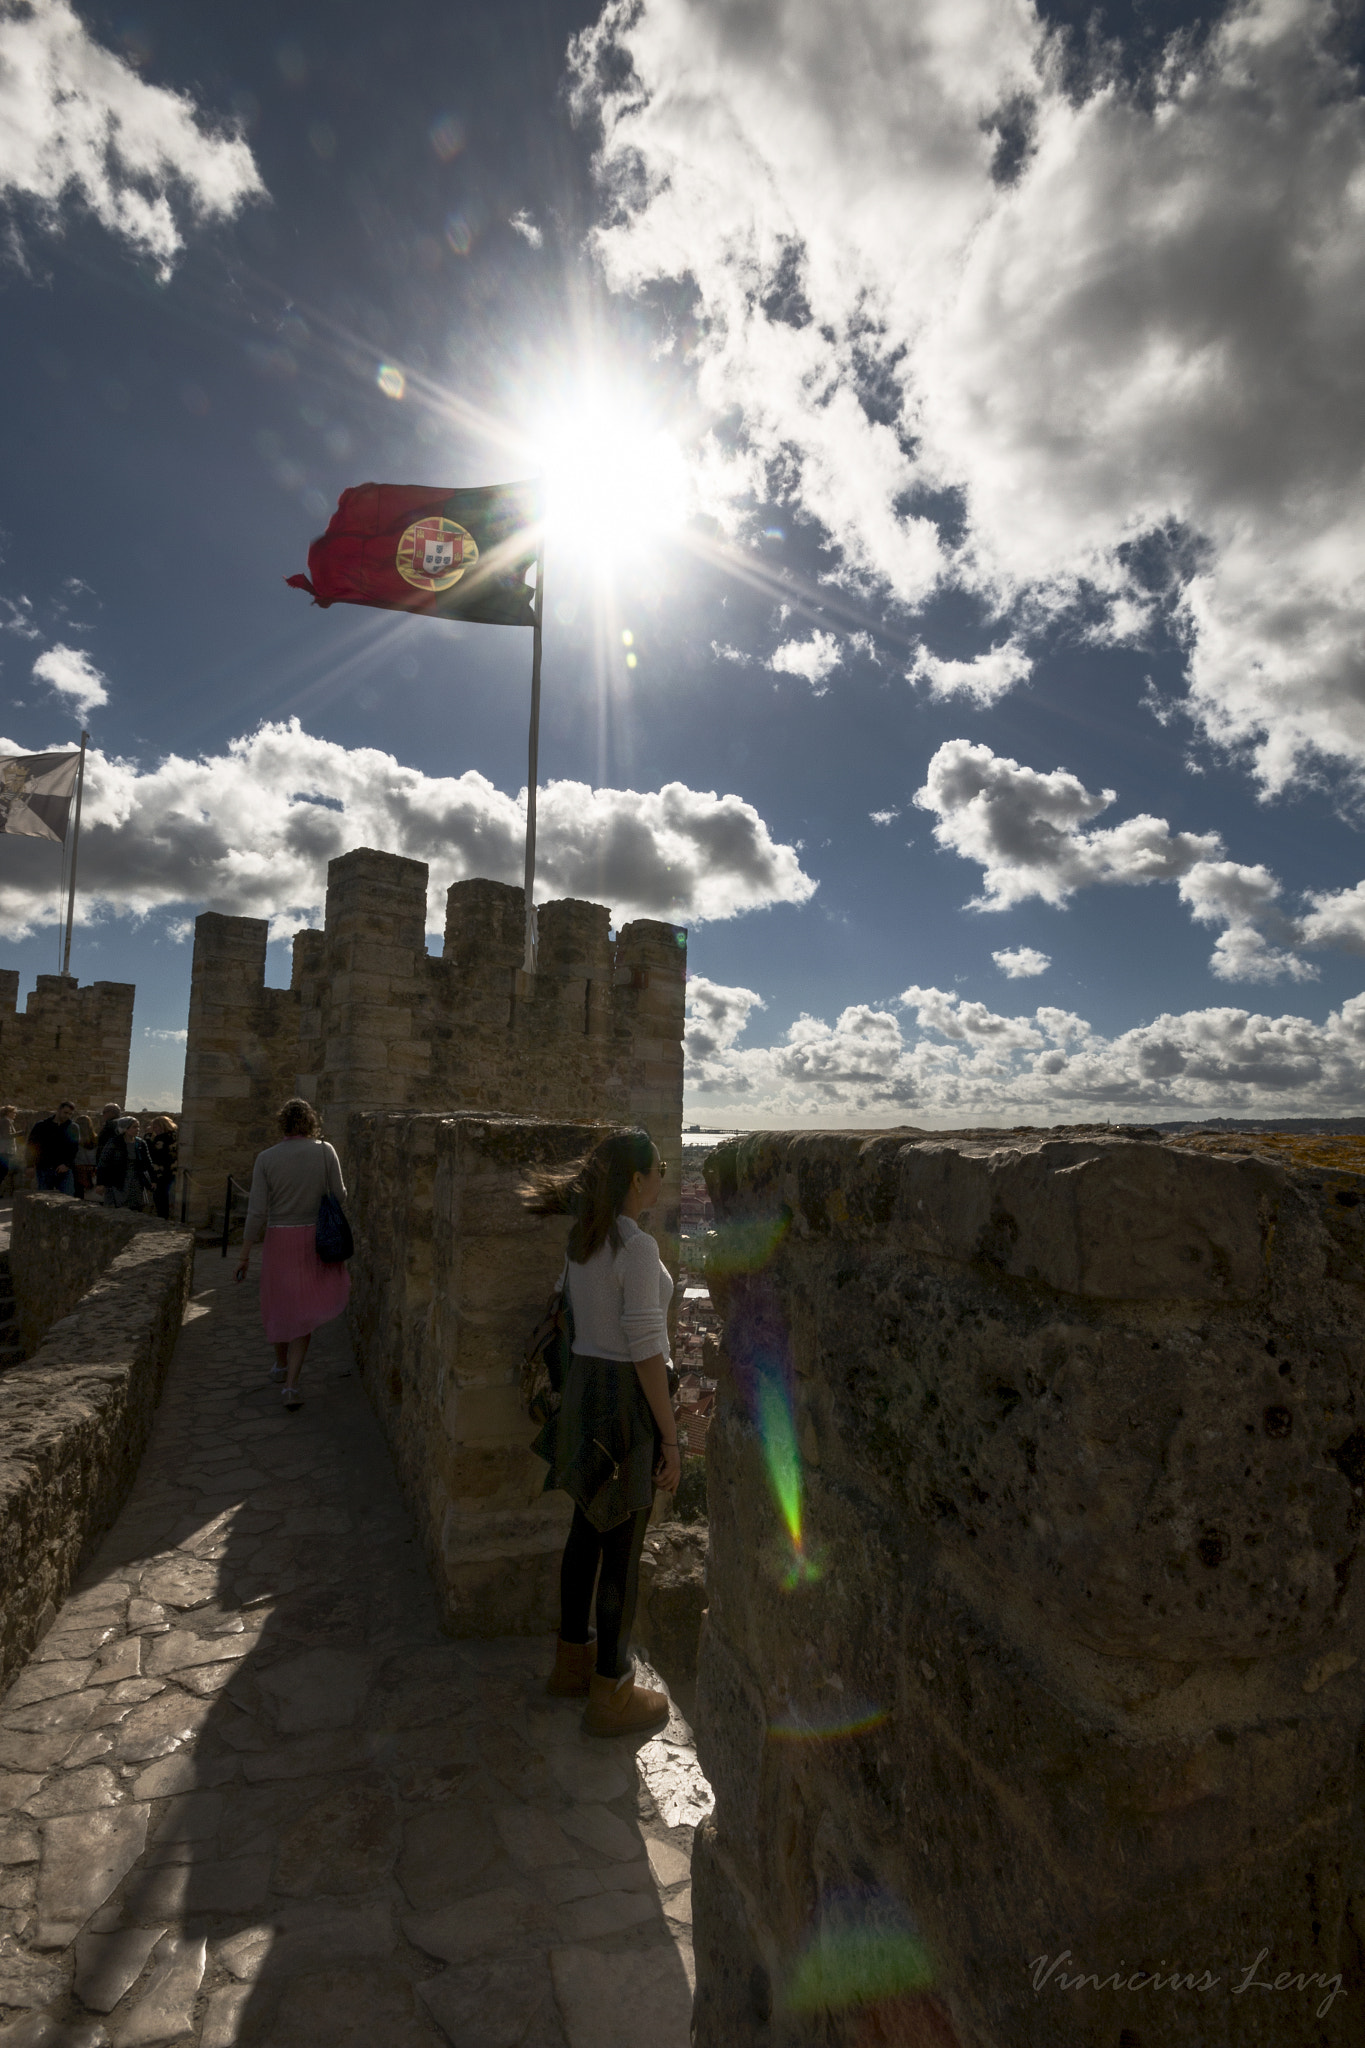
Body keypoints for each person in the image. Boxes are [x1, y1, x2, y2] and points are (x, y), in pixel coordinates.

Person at [521, 1128, 680, 1738]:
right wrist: (669, 1440)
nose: (664, 1177)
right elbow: (645, 1348)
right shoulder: (634, 1248)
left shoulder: (582, 1238)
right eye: (660, 1167)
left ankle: (571, 1663)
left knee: (585, 1531)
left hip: (585, 1392)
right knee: (622, 1551)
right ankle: (611, 1690)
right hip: (623, 1399)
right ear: (637, 1180)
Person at [235, 1098, 349, 1411]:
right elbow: (340, 1195)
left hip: (279, 1239)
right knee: (303, 1311)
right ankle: (291, 1385)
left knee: (278, 1304)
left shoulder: (266, 1158)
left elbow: (257, 1211)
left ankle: (280, 1365)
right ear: (311, 1122)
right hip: (313, 1237)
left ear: (282, 1123)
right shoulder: (325, 1152)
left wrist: (244, 1254)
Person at [27, 1099, 79, 1195]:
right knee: (44, 1198)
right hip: (44, 1168)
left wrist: (67, 1164)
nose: (67, 1116)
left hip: (63, 1169)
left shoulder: (72, 1127)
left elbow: (74, 1148)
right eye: (65, 1112)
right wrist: (30, 1165)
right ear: (58, 1110)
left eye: (70, 1114)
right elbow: (32, 1146)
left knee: (67, 1197)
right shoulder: (42, 1126)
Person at [145, 1115, 178, 1219]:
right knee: (165, 1195)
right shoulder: (174, 1136)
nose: (155, 1130)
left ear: (162, 1126)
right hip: (171, 1170)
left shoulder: (162, 1138)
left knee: (159, 1196)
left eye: (156, 1127)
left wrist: (148, 1135)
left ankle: (162, 1218)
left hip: (161, 1172)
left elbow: (152, 1152)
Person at [94, 1104, 125, 1199]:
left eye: (104, 1113)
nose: (103, 1115)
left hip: (109, 1163)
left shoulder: (111, 1125)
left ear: (111, 1113)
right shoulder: (121, 1124)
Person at [73, 1115, 97, 1200]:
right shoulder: (96, 1139)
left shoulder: (74, 1139)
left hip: (77, 1171)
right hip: (92, 1170)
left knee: (77, 1196)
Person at [0, 1106, 17, 1195]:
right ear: (8, 1113)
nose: (15, 1114)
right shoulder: (6, 1121)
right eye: (13, 1112)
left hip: (5, 1150)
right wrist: (21, 1133)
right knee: (3, 1171)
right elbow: (7, 1135)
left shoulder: (6, 1121)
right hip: (4, 1150)